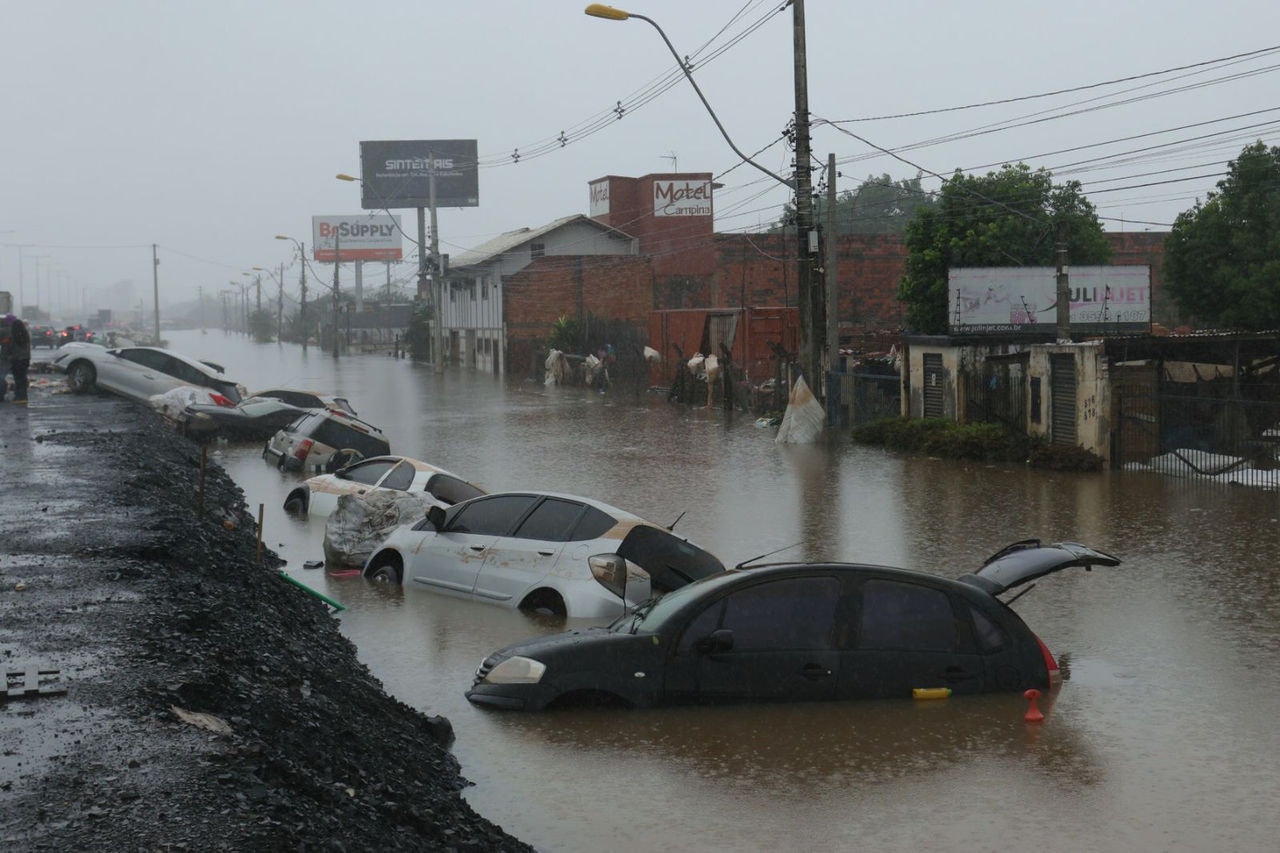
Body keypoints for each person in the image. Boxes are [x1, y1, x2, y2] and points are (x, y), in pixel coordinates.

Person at [0, 314, 30, 405]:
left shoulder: (11, 335)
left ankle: (17, 397)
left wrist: (7, 356)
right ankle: (23, 396)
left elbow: (9, 348)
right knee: (22, 378)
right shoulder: (25, 335)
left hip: (14, 359)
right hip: (25, 359)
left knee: (14, 378)